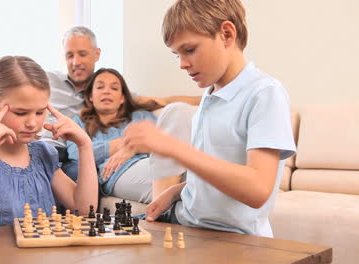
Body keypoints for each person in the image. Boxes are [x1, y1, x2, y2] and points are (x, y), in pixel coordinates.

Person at [123, 0, 296, 237]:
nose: (183, 64)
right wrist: (175, 191)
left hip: (232, 237)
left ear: (226, 34)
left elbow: (257, 189)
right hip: (186, 221)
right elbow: (218, 171)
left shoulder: (264, 93)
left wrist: (173, 148)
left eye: (190, 50)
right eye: (177, 55)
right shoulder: (211, 95)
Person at [0, 56, 97, 234]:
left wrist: (85, 145)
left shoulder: (43, 154)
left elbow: (85, 210)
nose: (32, 123)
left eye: (40, 112)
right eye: (21, 113)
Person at [42, 26, 201, 163]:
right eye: (70, 55)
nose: (76, 62)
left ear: (96, 54)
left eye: (82, 54)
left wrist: (208, 97)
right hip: (49, 148)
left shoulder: (106, 92)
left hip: (77, 156)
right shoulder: (49, 80)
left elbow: (163, 101)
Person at [65, 68, 156, 203]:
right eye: (100, 87)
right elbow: (75, 153)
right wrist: (123, 144)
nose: (106, 91)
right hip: (117, 172)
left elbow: (164, 141)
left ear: (122, 98)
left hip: (154, 162)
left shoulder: (141, 116)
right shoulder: (79, 122)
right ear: (90, 96)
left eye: (114, 88)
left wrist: (130, 148)